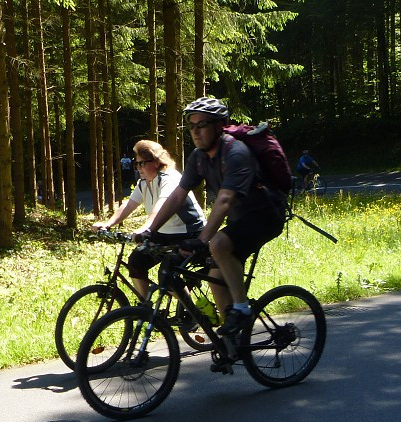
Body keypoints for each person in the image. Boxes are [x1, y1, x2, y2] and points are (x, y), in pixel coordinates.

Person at [145, 96, 286, 340]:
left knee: (217, 244)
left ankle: (241, 309)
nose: (196, 131)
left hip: (265, 215)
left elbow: (224, 201)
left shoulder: (236, 153)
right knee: (214, 274)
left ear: (220, 125)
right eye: (191, 125)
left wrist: (201, 239)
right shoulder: (199, 156)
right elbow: (177, 196)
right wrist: (151, 230)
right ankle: (231, 342)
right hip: (240, 220)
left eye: (202, 124)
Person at [94, 140, 205, 298]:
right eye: (136, 164)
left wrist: (145, 229)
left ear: (157, 162)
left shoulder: (170, 178)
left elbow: (161, 206)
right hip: (164, 233)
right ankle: (145, 308)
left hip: (189, 234)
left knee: (166, 275)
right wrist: (108, 224)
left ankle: (193, 313)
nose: (138, 168)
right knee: (136, 263)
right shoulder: (144, 183)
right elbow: (129, 205)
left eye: (142, 163)